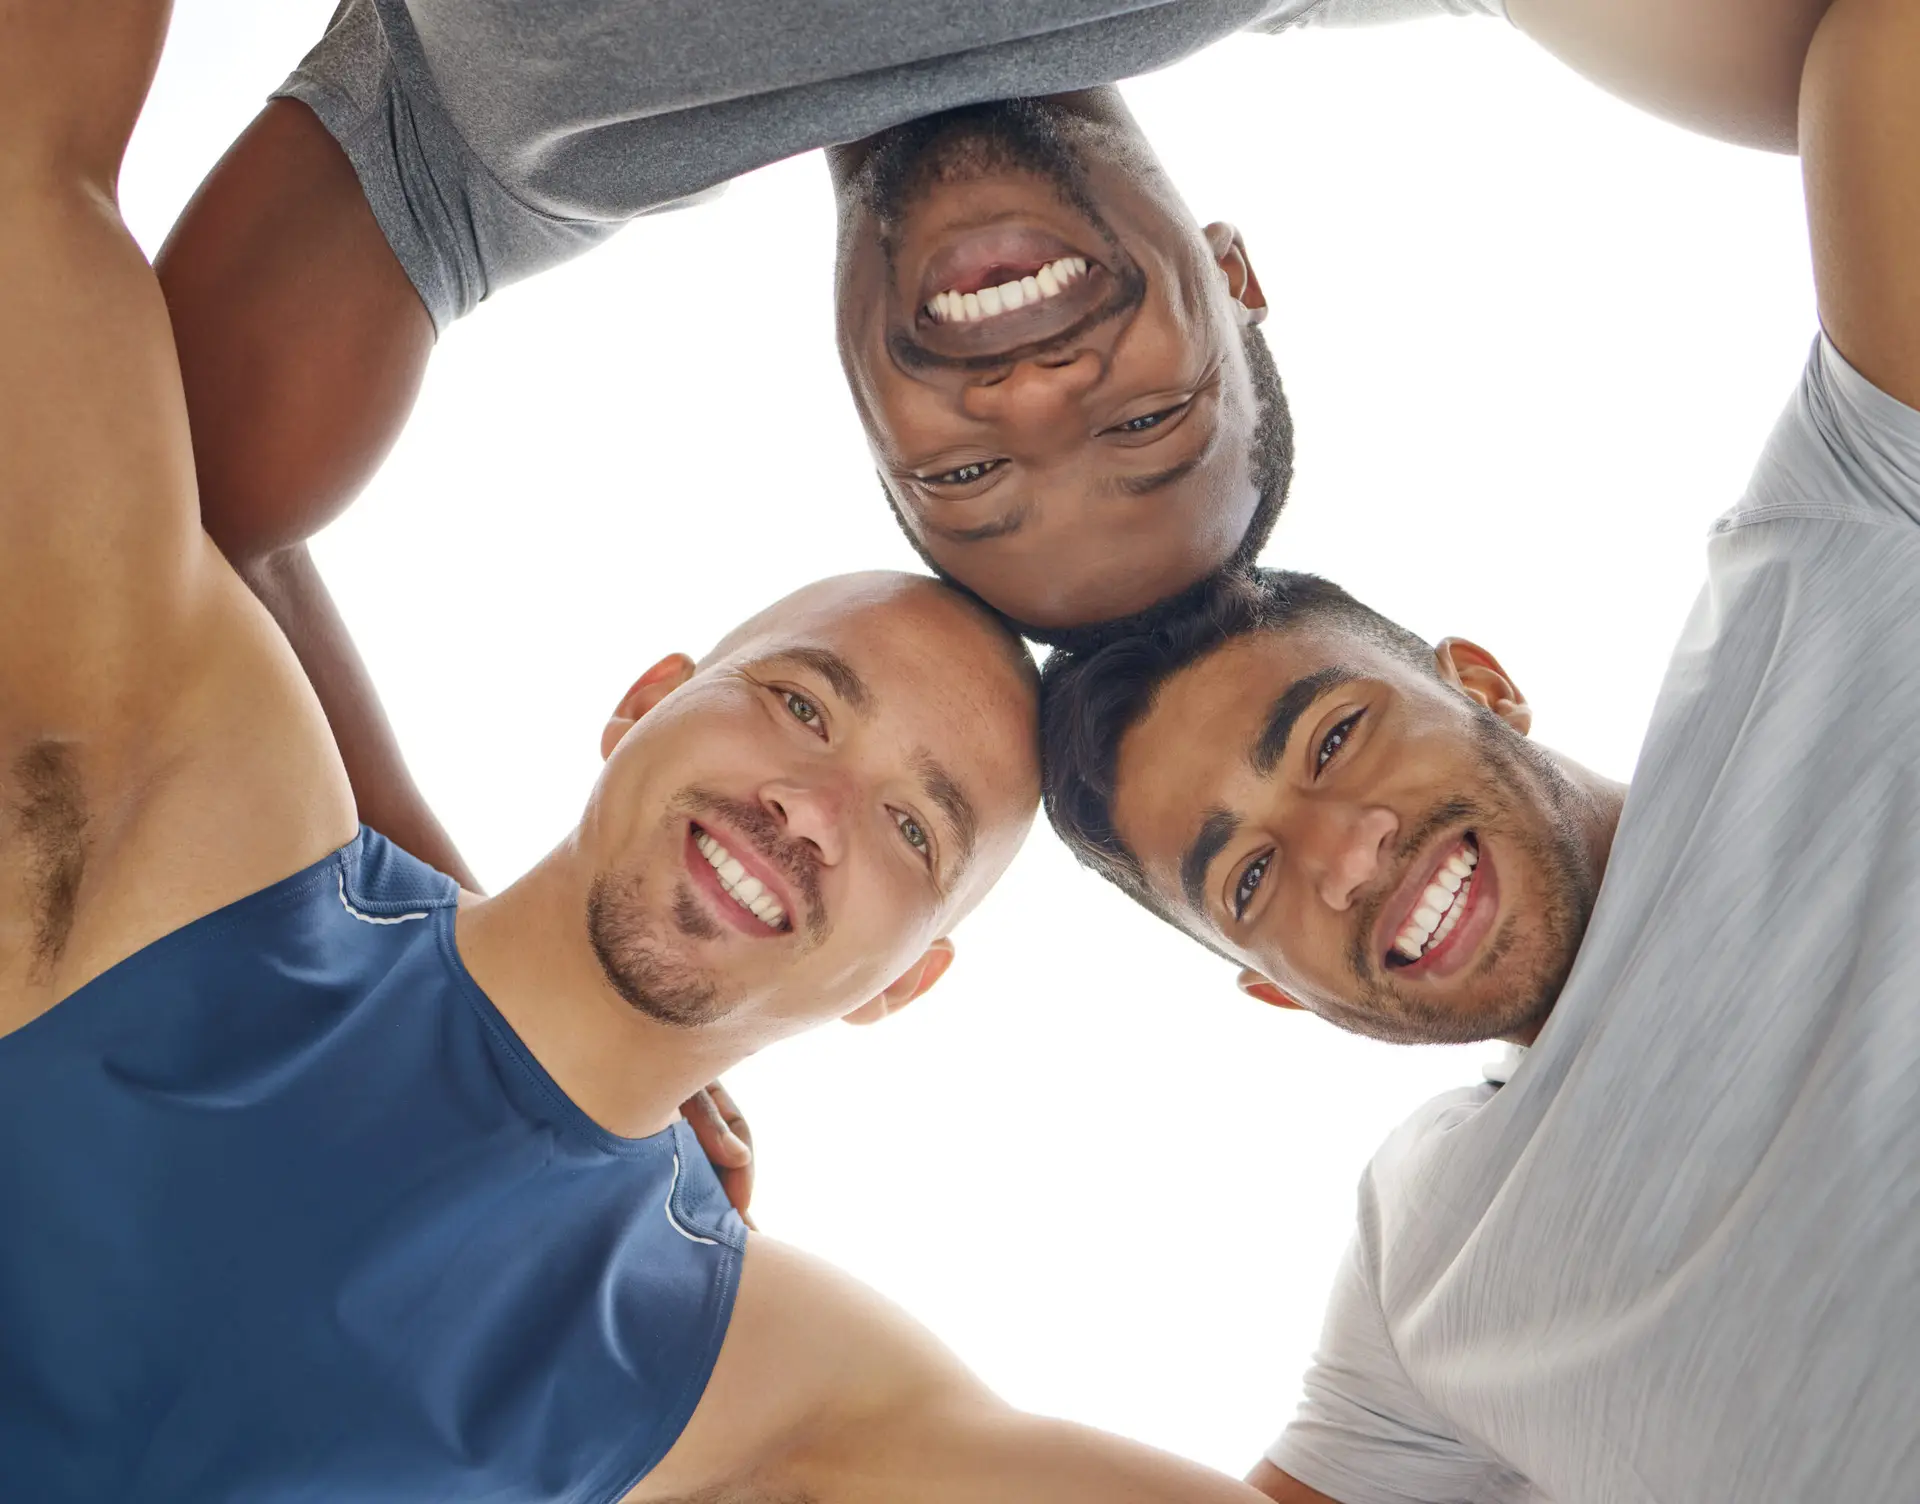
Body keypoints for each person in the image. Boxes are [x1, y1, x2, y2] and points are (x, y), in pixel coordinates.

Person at [0, 8, 1284, 1498]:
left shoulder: (763, 1383)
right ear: (645, 702)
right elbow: (36, 164)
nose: (812, 807)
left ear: (906, 981)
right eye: (804, 705)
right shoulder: (203, 813)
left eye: (914, 833)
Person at [154, 0, 1829, 888]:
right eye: (1154, 422)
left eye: (962, 481)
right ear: (1238, 283)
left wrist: (476, 953)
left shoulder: (528, 140)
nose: (1035, 402)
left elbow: (165, 503)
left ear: (865, 413)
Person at [1038, 0, 1920, 1495]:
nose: (1340, 852)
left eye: (1331, 738)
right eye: (1247, 880)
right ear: (1270, 989)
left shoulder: (1828, 579)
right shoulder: (1422, 1273)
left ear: (1482, 681)